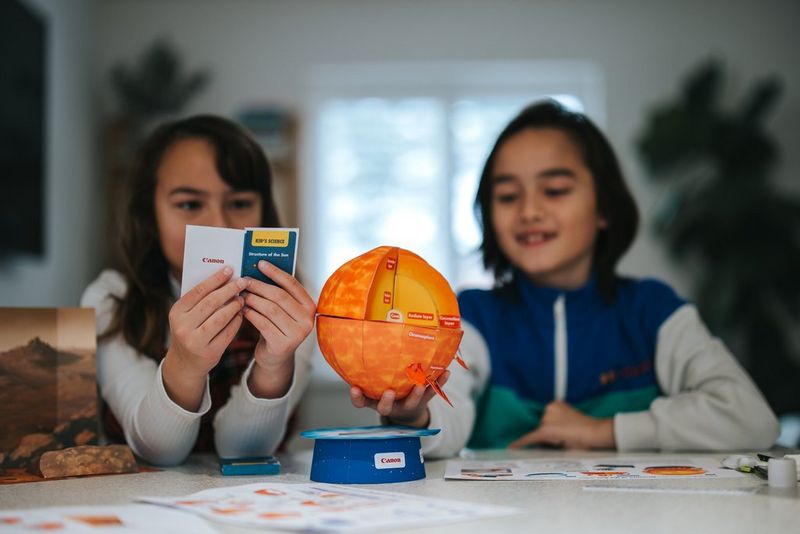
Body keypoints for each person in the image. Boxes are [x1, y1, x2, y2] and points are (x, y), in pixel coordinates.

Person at [351, 100, 779, 457]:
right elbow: (451, 411)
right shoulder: (473, 316)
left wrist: (603, 431)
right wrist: (414, 416)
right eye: (507, 196)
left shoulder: (653, 310)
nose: (529, 211)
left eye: (555, 190)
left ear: (604, 209)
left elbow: (750, 419)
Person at [81, 115, 316, 466]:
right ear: (150, 214)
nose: (219, 225)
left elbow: (243, 452)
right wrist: (185, 365)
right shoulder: (110, 299)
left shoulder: (293, 300)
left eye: (239, 204)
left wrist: (273, 365)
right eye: (190, 204)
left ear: (263, 211)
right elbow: (158, 448)